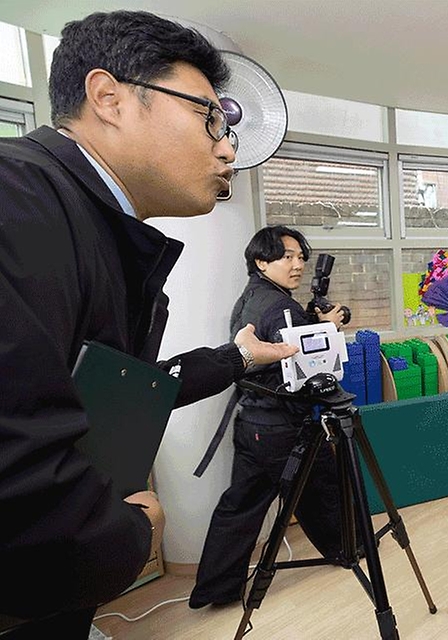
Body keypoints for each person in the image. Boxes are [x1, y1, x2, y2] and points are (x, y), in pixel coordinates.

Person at [0, 11, 295, 638]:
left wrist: (238, 358)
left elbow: (112, 391)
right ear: (109, 98)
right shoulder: (16, 201)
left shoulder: (99, 228)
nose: (228, 146)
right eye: (208, 117)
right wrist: (125, 534)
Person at [190, 226, 347, 609]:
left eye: (300, 257)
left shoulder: (252, 296)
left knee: (239, 506)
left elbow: (272, 345)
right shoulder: (281, 307)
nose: (298, 265)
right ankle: (349, 549)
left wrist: (311, 321)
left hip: (251, 423)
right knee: (323, 488)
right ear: (262, 260)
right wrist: (331, 328)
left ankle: (215, 590)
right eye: (287, 257)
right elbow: (303, 367)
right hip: (281, 426)